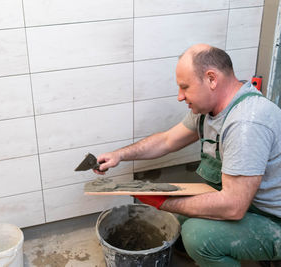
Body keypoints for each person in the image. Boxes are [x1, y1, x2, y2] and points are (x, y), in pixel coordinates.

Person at [93, 44, 281, 266]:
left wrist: (162, 201)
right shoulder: (210, 109)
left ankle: (210, 251)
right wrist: (119, 155)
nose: (180, 97)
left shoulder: (246, 123)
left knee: (198, 236)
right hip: (246, 200)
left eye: (185, 87)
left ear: (211, 79)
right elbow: (167, 140)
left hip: (272, 219)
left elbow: (233, 206)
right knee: (179, 220)